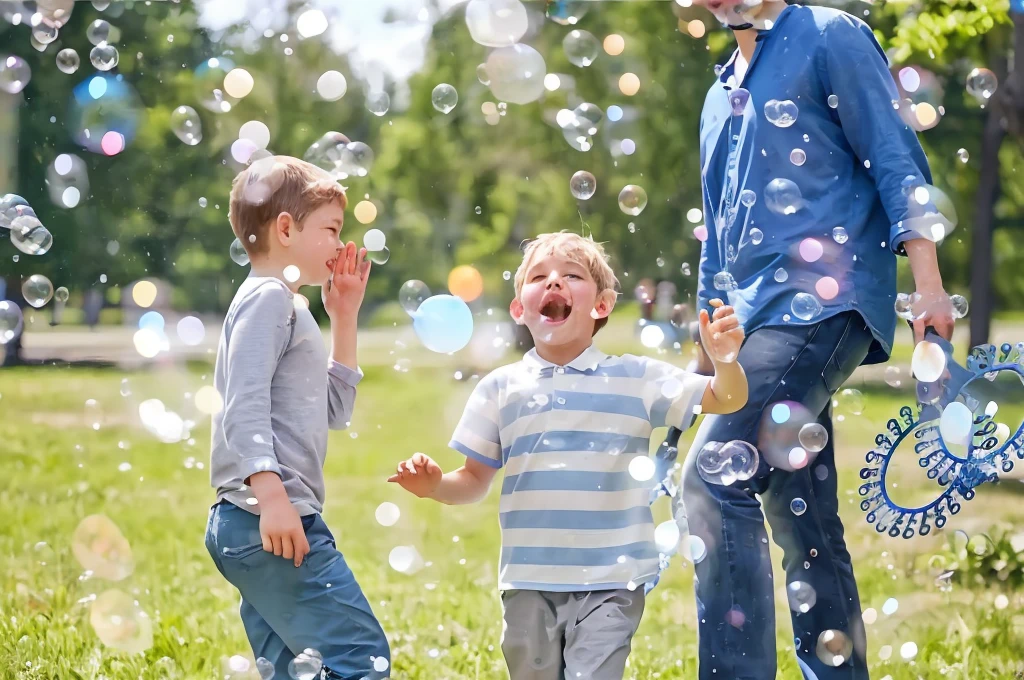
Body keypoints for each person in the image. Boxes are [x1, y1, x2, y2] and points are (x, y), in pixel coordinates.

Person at [665, 1, 956, 679]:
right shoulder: (717, 94)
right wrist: (708, 354)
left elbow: (895, 158)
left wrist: (929, 286)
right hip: (751, 324)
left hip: (822, 303)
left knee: (714, 481)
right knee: (804, 523)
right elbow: (719, 233)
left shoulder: (829, 35)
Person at [388, 232, 748, 680]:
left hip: (612, 580)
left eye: (571, 276)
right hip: (527, 579)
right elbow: (474, 479)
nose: (554, 283)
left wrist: (726, 362)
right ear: (520, 309)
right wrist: (435, 486)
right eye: (539, 277)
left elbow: (723, 399)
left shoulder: (636, 378)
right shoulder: (499, 388)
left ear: (602, 304)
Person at [203, 156, 390, 679]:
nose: (339, 244)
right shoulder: (268, 298)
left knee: (291, 671)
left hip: (257, 519)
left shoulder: (291, 305)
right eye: (331, 229)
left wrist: (345, 317)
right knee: (360, 657)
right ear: (286, 229)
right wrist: (273, 498)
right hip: (268, 516)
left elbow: (335, 410)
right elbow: (242, 405)